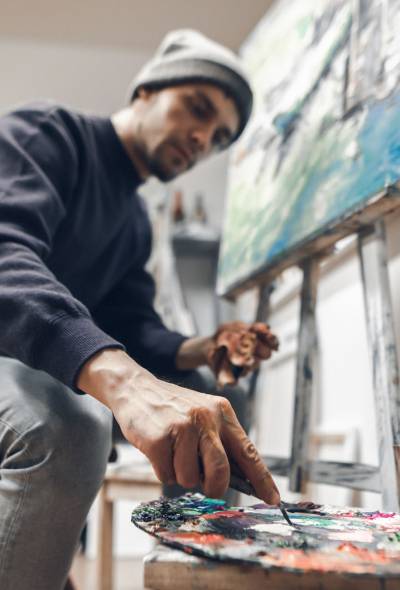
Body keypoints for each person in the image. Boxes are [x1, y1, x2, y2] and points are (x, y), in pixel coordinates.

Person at [0, 29, 280, 590]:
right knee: (74, 423)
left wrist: (207, 346)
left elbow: (134, 327)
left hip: (42, 362)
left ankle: (191, 570)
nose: (203, 137)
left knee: (217, 397)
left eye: (219, 136)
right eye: (197, 109)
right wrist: (123, 385)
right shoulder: (49, 132)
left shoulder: (133, 224)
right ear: (147, 89)